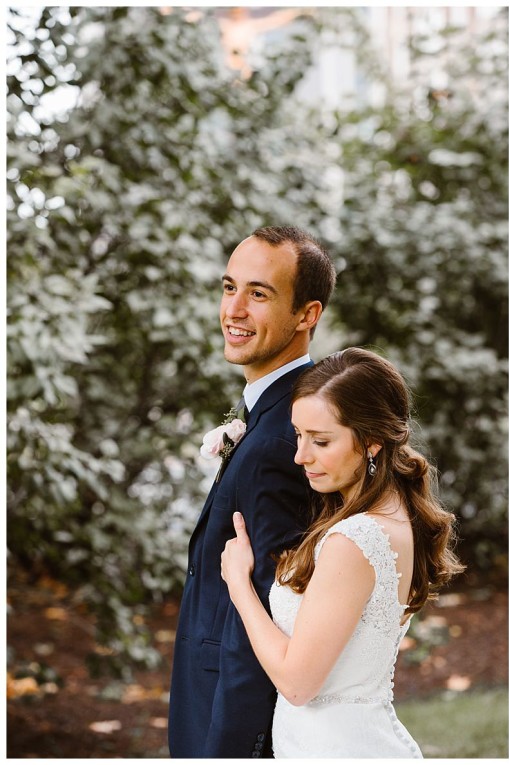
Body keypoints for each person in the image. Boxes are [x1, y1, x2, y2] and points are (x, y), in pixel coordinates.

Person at [219, 348, 465, 757]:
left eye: (321, 441)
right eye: (298, 435)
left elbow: (297, 684)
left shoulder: (354, 541)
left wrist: (239, 585)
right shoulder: (392, 515)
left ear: (371, 442)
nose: (300, 456)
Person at [168, 226, 336, 758]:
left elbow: (273, 605)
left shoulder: (284, 439)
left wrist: (229, 745)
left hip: (228, 717)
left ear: (308, 314)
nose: (234, 309)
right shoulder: (276, 412)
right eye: (228, 287)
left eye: (258, 294)